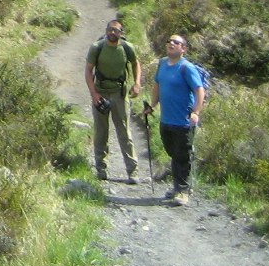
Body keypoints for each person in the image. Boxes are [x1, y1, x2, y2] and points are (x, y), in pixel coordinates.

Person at [151, 32, 206, 205]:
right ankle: (177, 187)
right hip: (166, 119)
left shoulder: (186, 67)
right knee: (173, 153)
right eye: (169, 41)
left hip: (183, 121)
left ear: (183, 49)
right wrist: (152, 105)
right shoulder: (162, 64)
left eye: (176, 42)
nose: (171, 43)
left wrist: (196, 112)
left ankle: (183, 191)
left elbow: (199, 90)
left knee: (183, 155)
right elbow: (157, 85)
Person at [84, 17, 141, 182]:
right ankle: (101, 169)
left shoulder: (127, 48)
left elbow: (136, 64)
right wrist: (94, 94)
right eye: (110, 29)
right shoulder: (97, 47)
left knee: (124, 132)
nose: (112, 33)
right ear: (106, 31)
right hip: (100, 93)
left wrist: (137, 84)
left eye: (116, 30)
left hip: (120, 94)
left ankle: (133, 171)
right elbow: (88, 71)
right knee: (101, 132)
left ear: (121, 33)